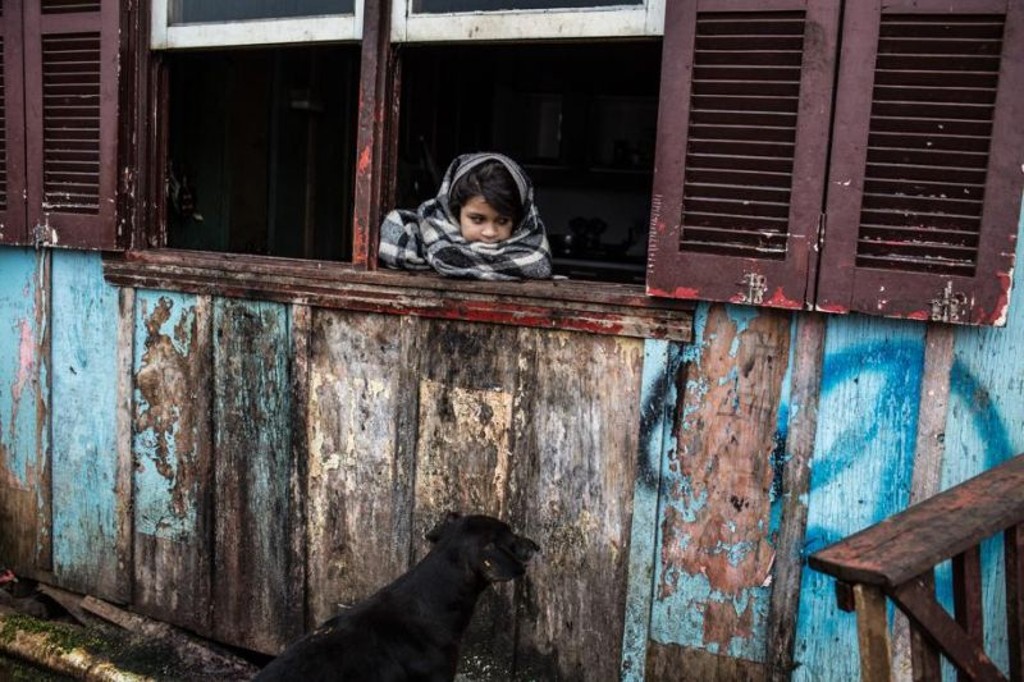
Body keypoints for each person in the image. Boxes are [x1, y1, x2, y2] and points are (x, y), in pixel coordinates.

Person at [379, 152, 552, 280]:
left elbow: (539, 266)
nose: (490, 232)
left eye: (503, 220)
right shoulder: (415, 237)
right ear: (454, 212)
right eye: (477, 219)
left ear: (518, 221)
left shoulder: (531, 253)